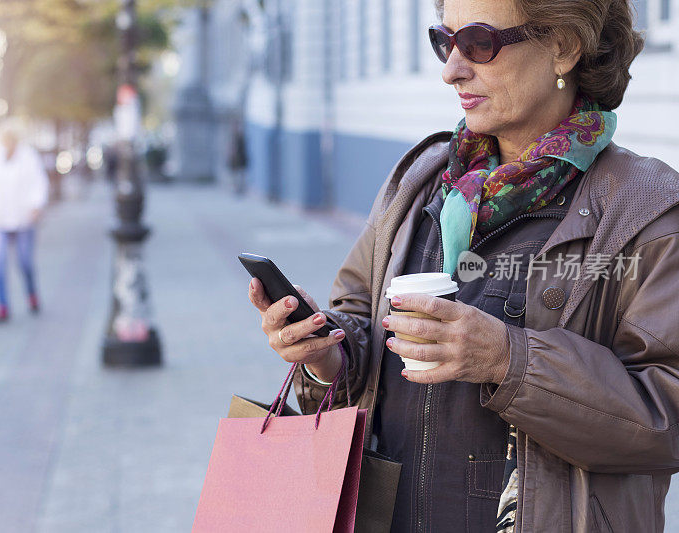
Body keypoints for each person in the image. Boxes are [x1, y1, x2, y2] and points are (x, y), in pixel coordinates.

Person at [248, 0, 679, 531]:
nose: (451, 68)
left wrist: (507, 359)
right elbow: (358, 326)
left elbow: (666, 419)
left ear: (563, 46)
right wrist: (325, 353)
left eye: (478, 42)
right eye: (443, 41)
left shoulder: (645, 207)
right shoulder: (421, 181)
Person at [0, 121, 48, 323]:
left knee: (25, 262)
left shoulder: (29, 156)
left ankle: (32, 295)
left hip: (23, 218)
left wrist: (36, 205)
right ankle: (2, 305)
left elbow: (38, 182)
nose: (9, 143)